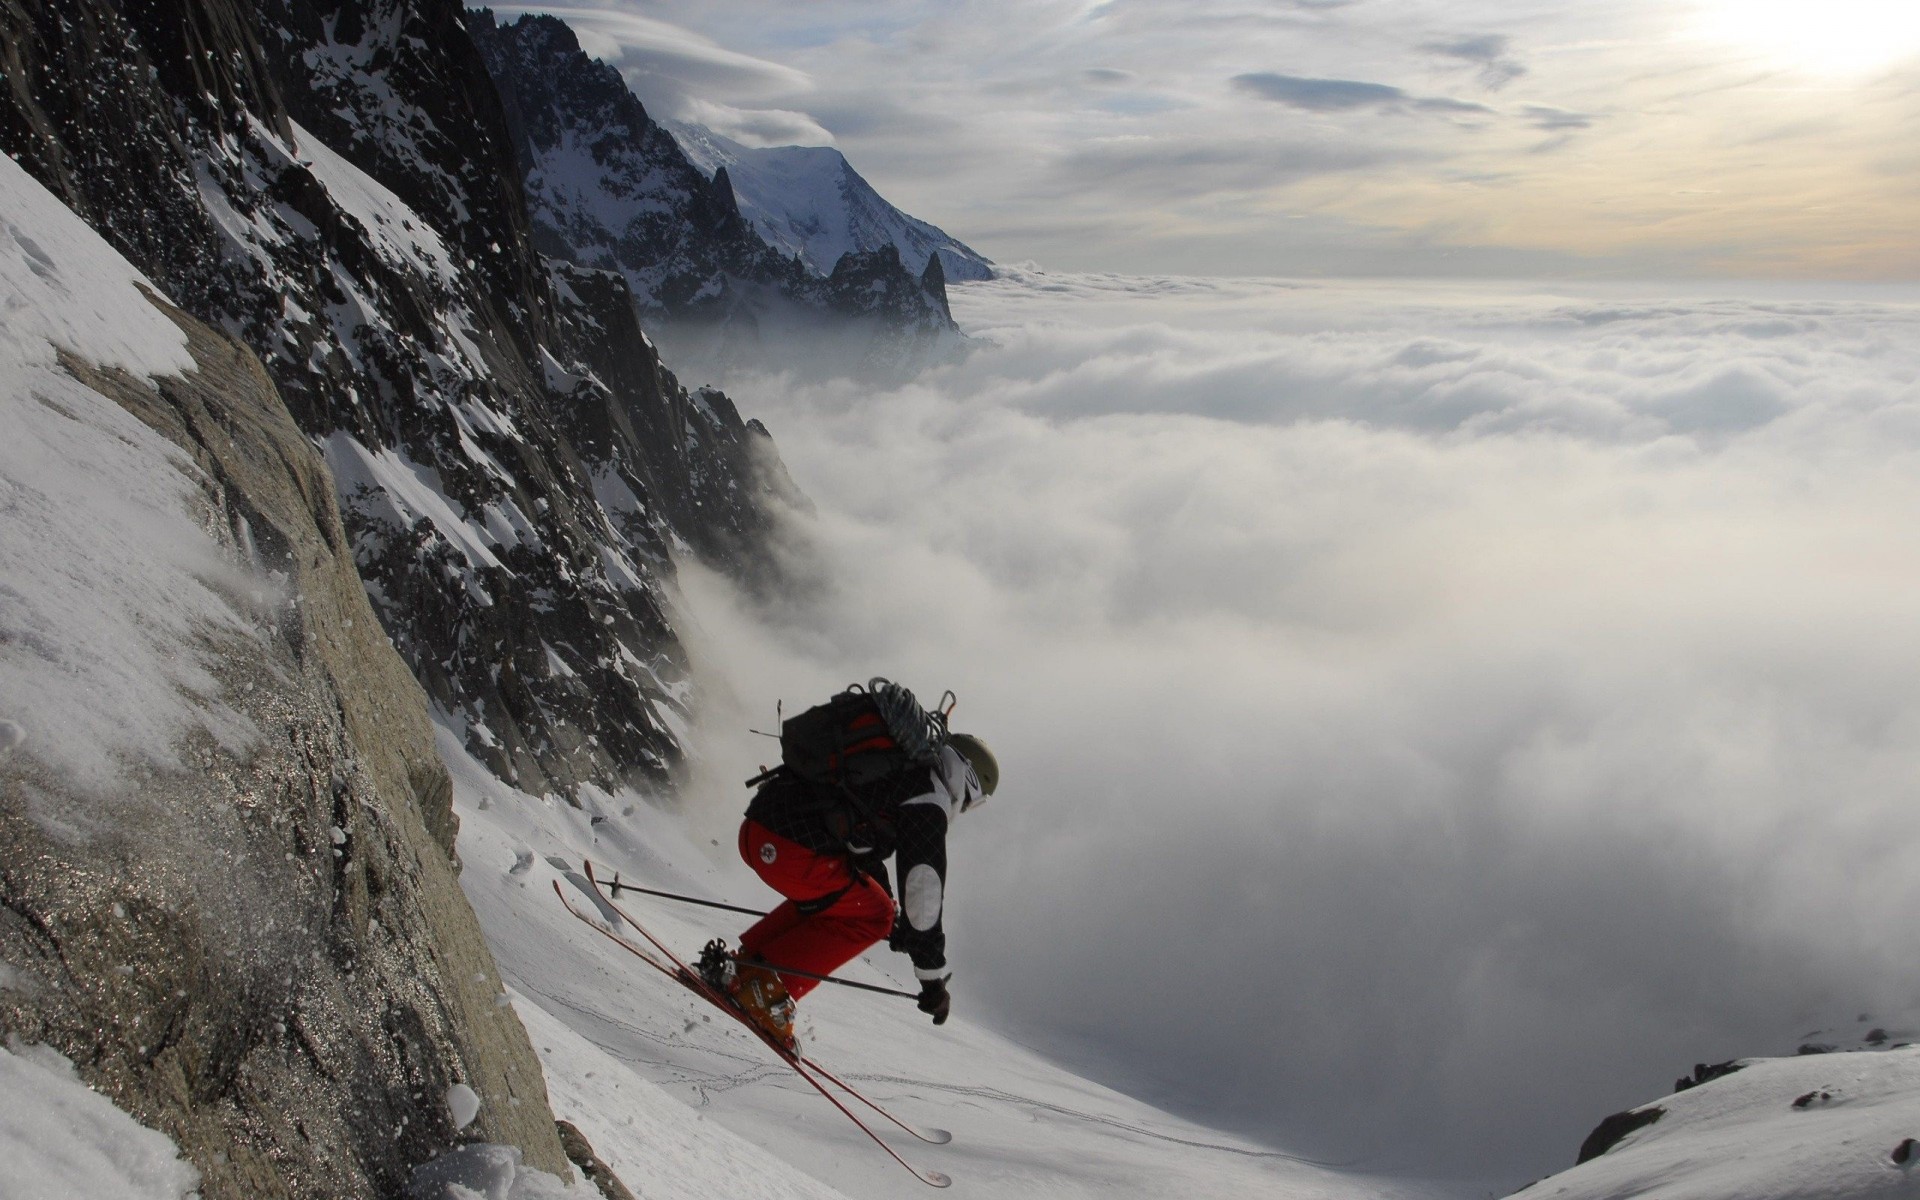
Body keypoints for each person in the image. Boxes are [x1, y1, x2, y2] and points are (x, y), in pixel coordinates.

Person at [703, 705, 999, 1052]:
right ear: (969, 779)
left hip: (758, 830)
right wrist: (931, 977)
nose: (965, 808)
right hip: (788, 850)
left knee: (859, 904)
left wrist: (892, 908)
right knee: (875, 915)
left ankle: (744, 970)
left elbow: (858, 852)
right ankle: (763, 992)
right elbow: (923, 886)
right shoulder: (928, 796)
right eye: (975, 802)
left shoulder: (897, 768)